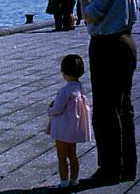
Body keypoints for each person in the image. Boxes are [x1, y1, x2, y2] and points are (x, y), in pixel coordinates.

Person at [76, 0, 139, 186]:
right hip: (126, 41)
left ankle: (110, 167)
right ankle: (127, 166)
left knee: (105, 109)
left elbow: (90, 16)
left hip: (107, 45)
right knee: (124, 107)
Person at [46, 54, 91, 188]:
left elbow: (58, 108)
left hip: (63, 128)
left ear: (64, 72)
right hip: (74, 127)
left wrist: (50, 109)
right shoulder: (79, 88)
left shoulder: (65, 90)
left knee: (62, 157)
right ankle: (74, 180)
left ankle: (64, 182)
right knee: (73, 155)